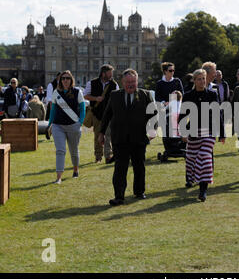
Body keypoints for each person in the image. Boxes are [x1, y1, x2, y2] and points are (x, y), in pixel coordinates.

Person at [99, 69, 157, 206]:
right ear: (122, 82)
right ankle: (119, 196)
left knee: (139, 166)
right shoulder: (115, 96)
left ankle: (139, 192)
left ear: (137, 81)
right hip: (120, 138)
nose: (130, 85)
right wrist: (101, 133)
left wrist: (152, 131)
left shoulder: (146, 95)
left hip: (139, 138)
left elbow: (154, 115)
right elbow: (107, 115)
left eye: (133, 82)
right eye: (128, 82)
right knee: (120, 168)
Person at [179, 69, 225, 201]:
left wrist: (222, 133)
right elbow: (182, 116)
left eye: (204, 78)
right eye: (199, 79)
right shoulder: (188, 95)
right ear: (194, 80)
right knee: (192, 160)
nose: (202, 81)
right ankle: (194, 180)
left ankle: (203, 190)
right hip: (193, 132)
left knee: (204, 157)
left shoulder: (211, 94)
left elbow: (218, 114)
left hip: (209, 131)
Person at [48, 70, 86, 184]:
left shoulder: (77, 92)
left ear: (71, 80)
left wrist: (80, 122)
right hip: (58, 126)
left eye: (67, 78)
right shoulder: (56, 92)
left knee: (73, 151)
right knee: (60, 150)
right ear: (60, 80)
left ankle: (75, 170)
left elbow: (83, 108)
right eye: (63, 78)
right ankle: (59, 177)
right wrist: (49, 124)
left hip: (73, 126)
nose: (65, 80)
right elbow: (53, 110)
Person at [84, 64, 119, 164]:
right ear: (103, 73)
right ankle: (98, 157)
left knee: (109, 135)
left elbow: (117, 98)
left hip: (110, 114)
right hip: (96, 114)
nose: (111, 75)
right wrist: (95, 98)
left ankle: (108, 156)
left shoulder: (114, 84)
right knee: (97, 136)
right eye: (109, 73)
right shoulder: (91, 83)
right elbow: (85, 95)